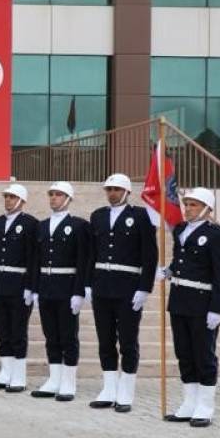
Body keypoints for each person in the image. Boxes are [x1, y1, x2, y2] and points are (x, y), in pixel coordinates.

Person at [86, 173, 157, 412]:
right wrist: (87, 284)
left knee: (127, 340)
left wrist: (144, 288)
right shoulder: (97, 216)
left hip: (128, 287)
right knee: (105, 340)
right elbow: (91, 253)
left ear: (127, 192)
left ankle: (126, 391)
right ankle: (109, 388)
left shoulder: (140, 216)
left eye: (117, 189)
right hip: (102, 286)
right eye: (109, 189)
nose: (112, 193)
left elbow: (150, 254)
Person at [163, 188, 220, 428]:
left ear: (207, 209)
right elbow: (180, 259)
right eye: (187, 203)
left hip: (203, 302)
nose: (188, 208)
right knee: (184, 353)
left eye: (193, 204)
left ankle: (205, 406)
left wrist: (218, 309)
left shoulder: (218, 236)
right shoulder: (181, 230)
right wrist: (169, 270)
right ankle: (188, 404)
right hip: (179, 299)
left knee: (204, 355)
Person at [30, 181, 90, 402]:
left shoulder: (78, 225)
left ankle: (69, 382)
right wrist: (35, 289)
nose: (53, 198)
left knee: (68, 336)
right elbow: (36, 259)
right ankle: (54, 379)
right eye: (52, 194)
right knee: (51, 336)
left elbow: (83, 260)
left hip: (67, 287)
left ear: (68, 199)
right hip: (46, 286)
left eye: (58, 194)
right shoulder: (42, 226)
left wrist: (79, 291)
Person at [0, 183, 37, 393]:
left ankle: (19, 375)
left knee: (18, 330)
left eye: (12, 197)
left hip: (19, 283)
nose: (8, 200)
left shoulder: (30, 224)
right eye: (6, 196)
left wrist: (30, 286)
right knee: (2, 329)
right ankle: (5, 372)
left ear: (22, 201)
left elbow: (34, 257)